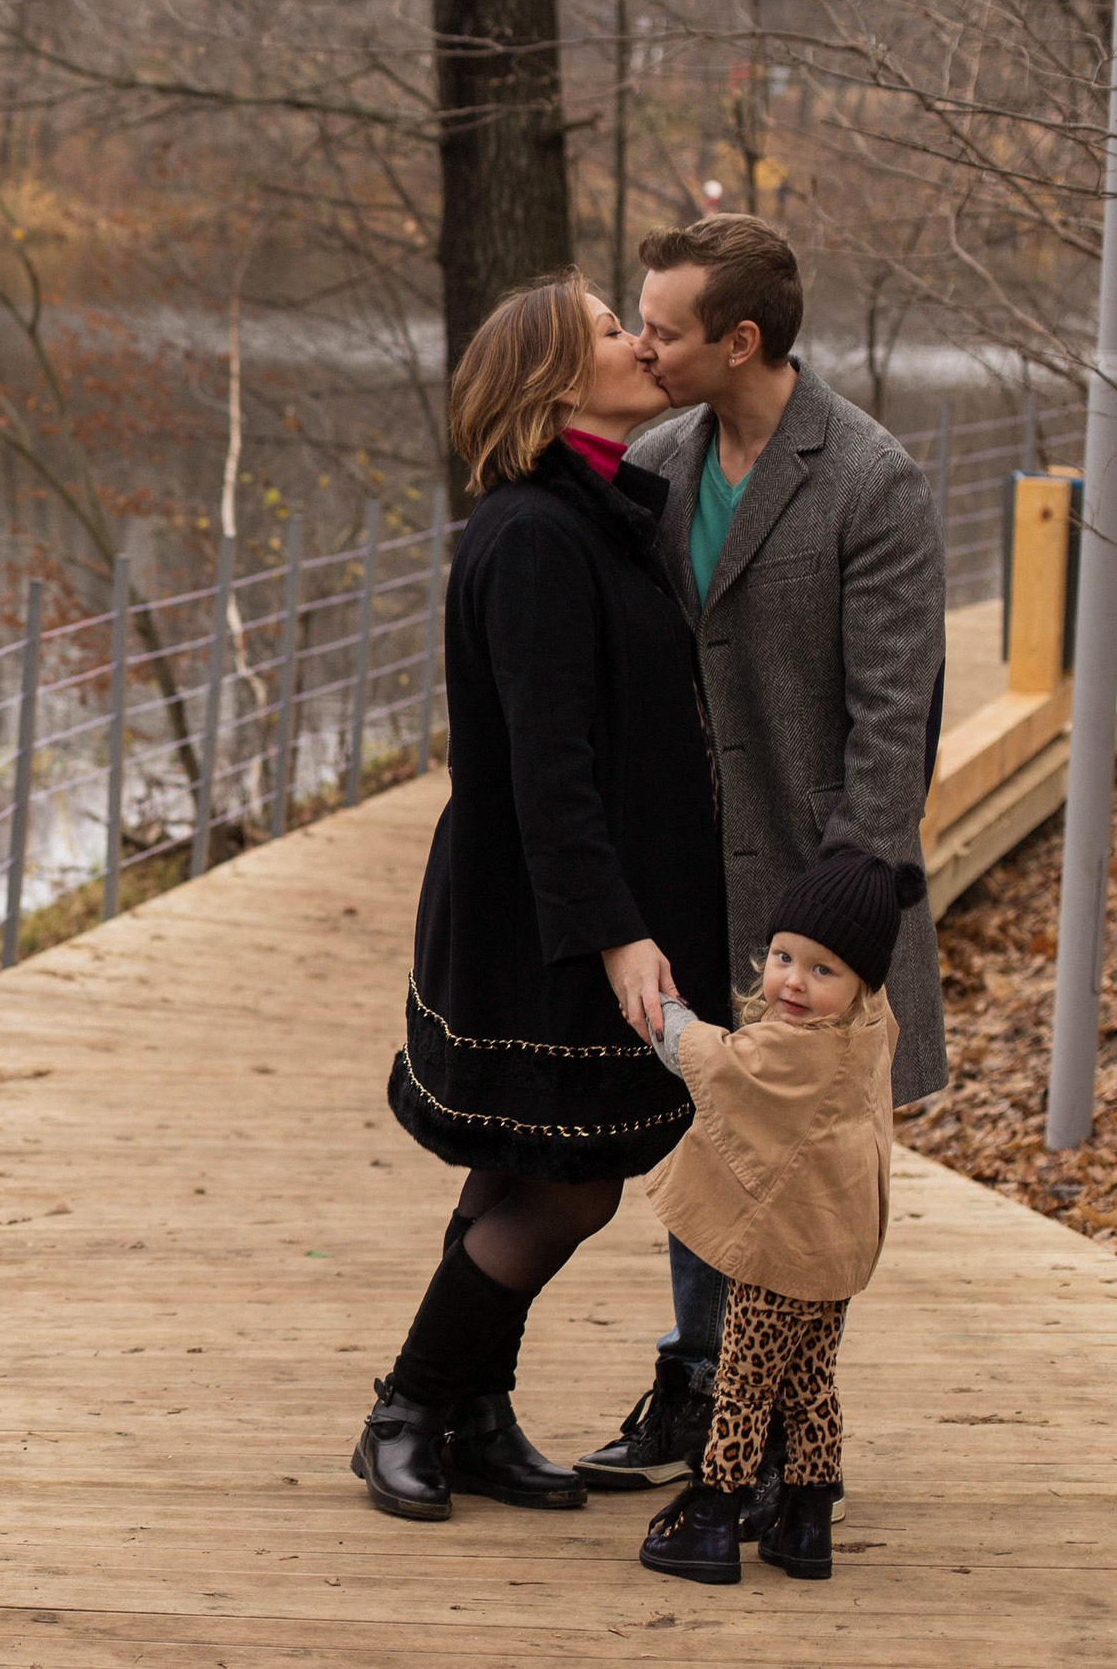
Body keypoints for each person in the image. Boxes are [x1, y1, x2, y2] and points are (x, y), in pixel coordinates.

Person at [574, 215, 946, 1529]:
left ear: (741, 340)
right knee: (710, 1135)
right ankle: (696, 1390)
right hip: (684, 874)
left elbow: (894, 721)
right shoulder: (656, 461)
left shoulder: (872, 478)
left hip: (815, 893)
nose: (641, 345)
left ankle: (783, 1432)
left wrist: (838, 924)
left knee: (801, 1167)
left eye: (662, 328)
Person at [352, 271, 729, 1522]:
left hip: (570, 900)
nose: (641, 344)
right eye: (615, 331)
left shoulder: (594, 513)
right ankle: (406, 1408)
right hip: (537, 918)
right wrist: (618, 935)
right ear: (560, 380)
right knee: (569, 1181)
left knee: (521, 1164)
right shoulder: (530, 535)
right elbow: (545, 763)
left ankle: (472, 1415)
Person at [634, 849, 915, 1584]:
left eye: (823, 971)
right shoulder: (870, 1030)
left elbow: (712, 1060)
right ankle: (807, 1519)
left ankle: (713, 1518)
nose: (793, 982)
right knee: (810, 1386)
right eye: (784, 957)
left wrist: (662, 1012)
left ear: (861, 984)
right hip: (836, 1254)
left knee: (745, 1383)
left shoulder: (795, 1050)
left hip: (783, 1257)